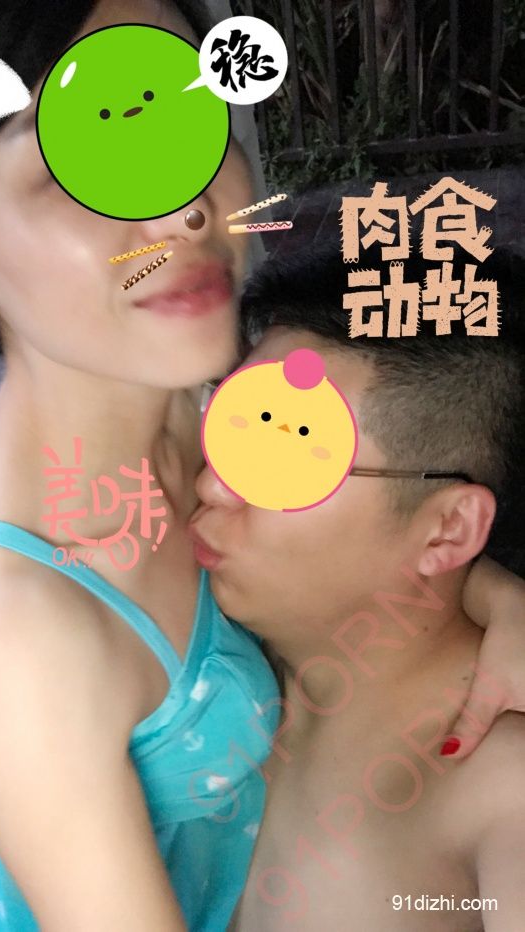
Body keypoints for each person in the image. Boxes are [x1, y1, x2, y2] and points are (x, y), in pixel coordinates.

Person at [0, 1, 521, 928]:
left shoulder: (190, 391)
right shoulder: (21, 621)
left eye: (187, 120)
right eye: (75, 166)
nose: (183, 207)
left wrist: (496, 598)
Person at [189, 246, 525, 929]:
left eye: (285, 451)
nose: (209, 484)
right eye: (225, 422)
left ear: (448, 530)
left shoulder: (498, 791)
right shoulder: (207, 636)